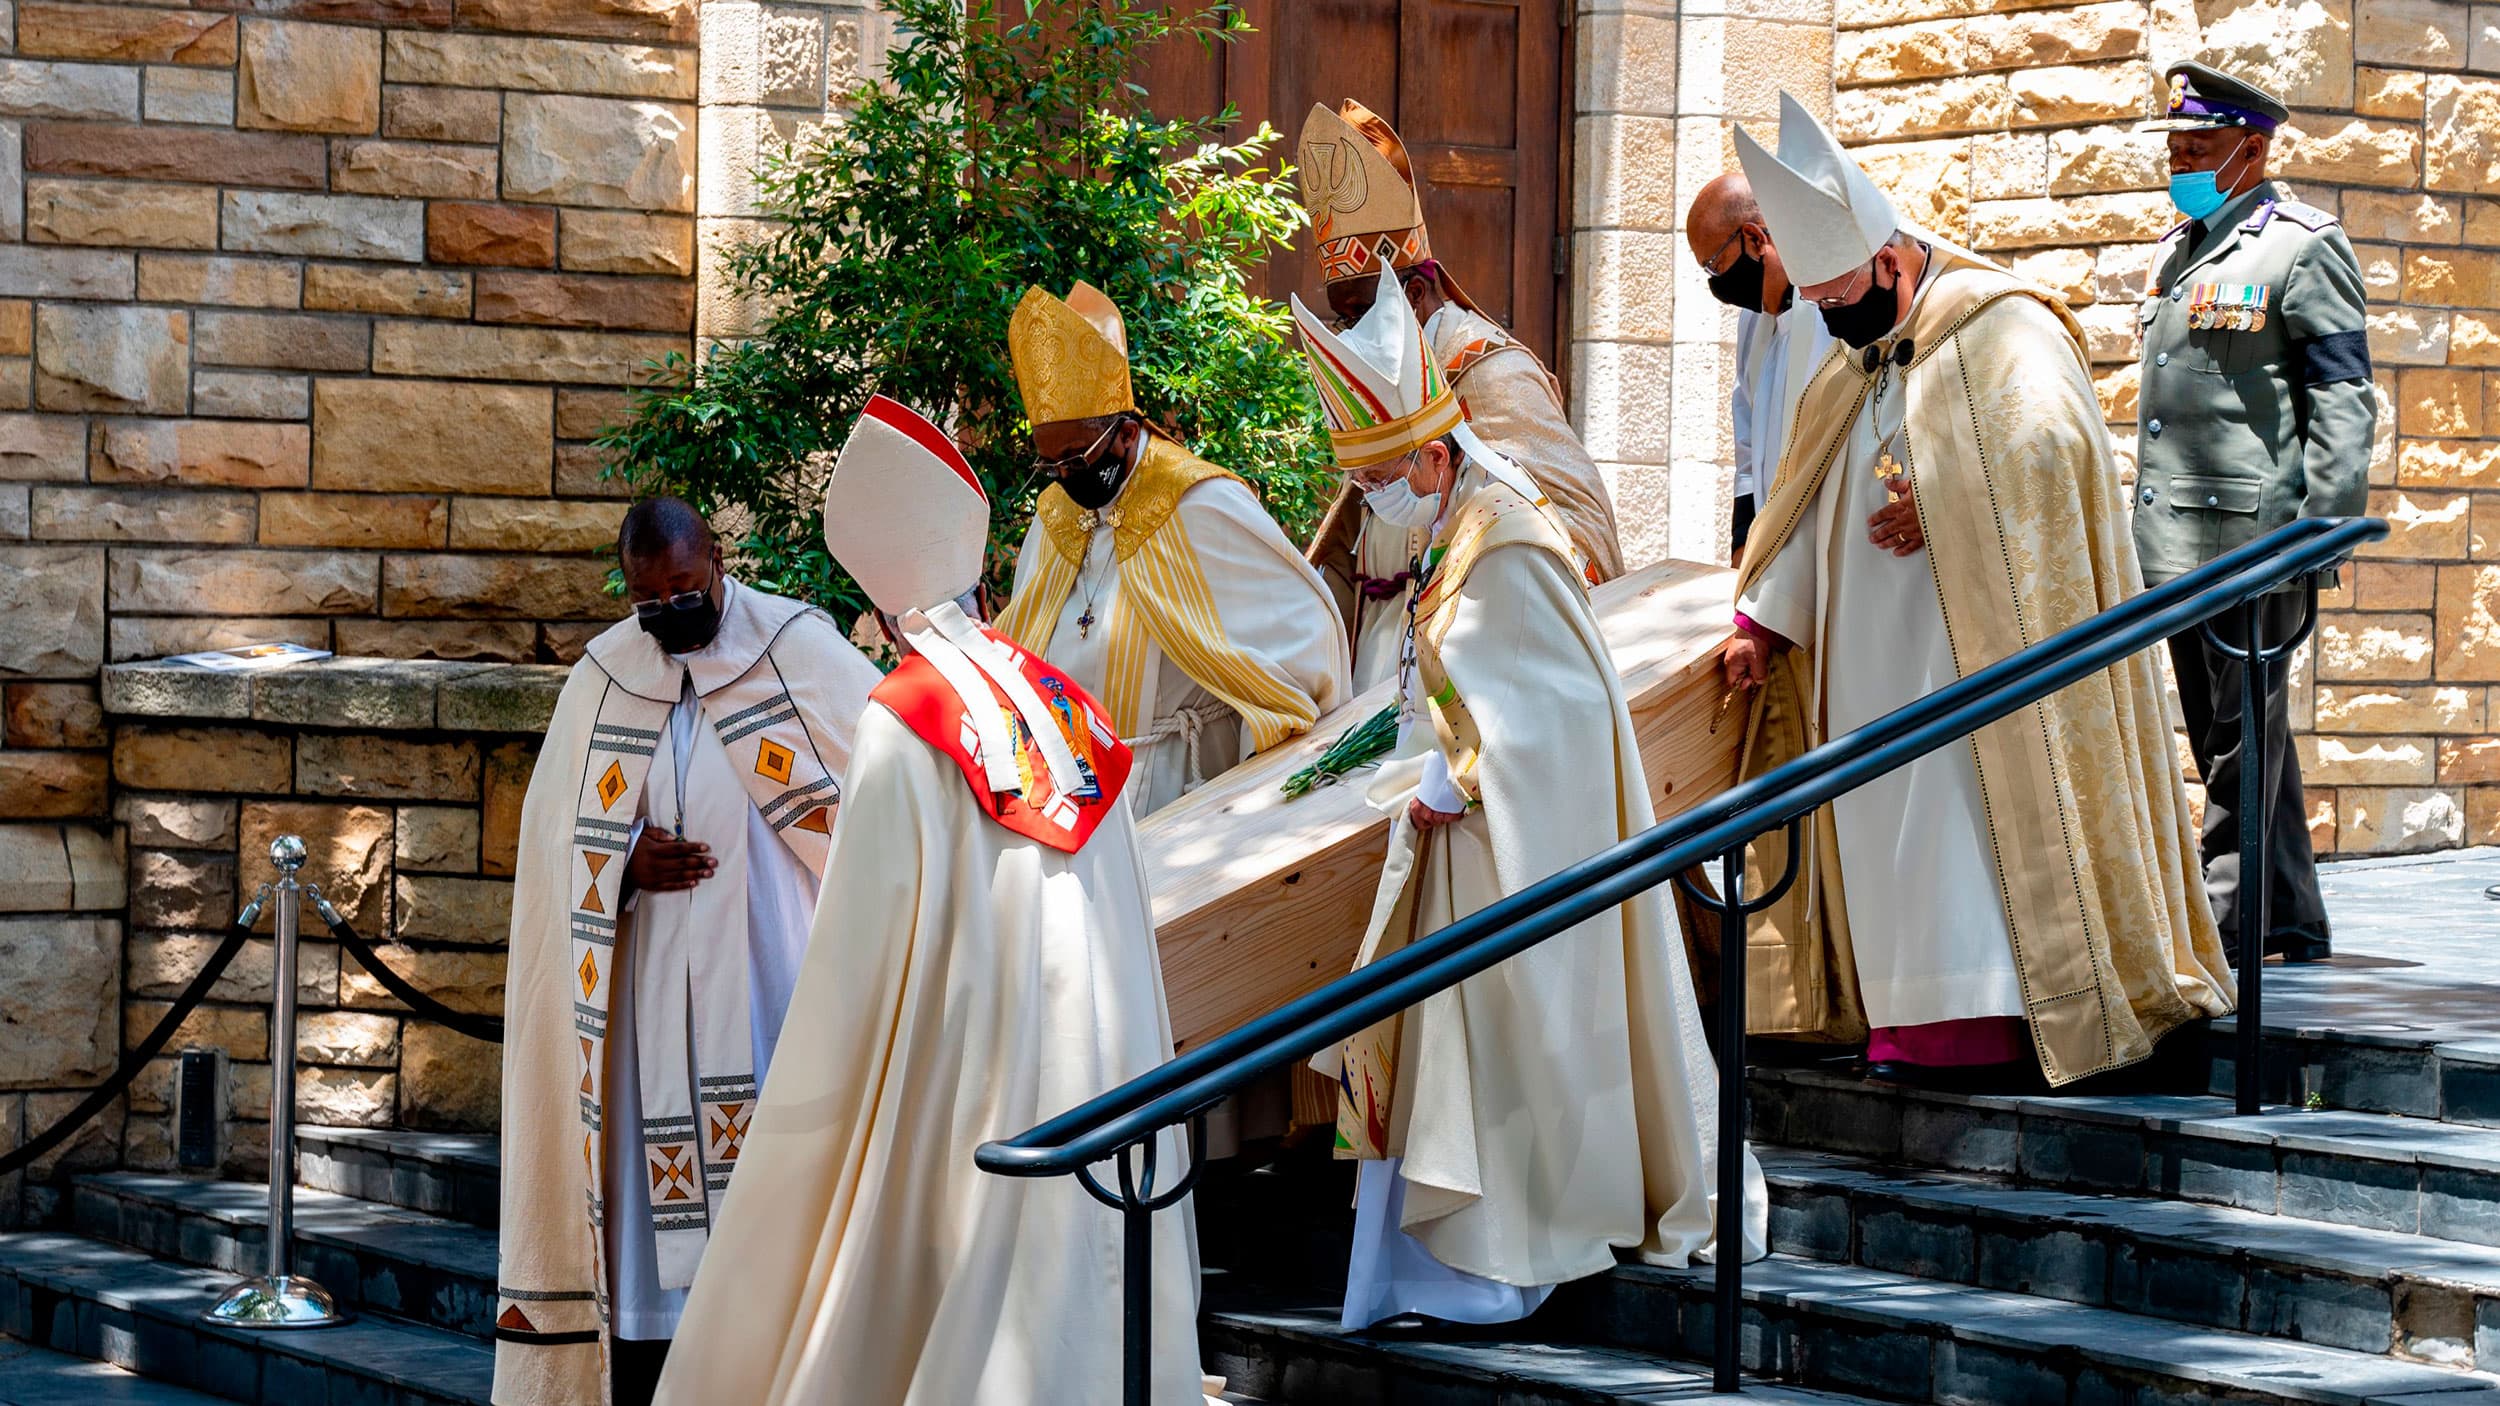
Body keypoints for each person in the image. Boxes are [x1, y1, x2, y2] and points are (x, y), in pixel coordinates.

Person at [651, 395, 1211, 1406]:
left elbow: (860, 950)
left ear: (878, 598)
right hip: (1101, 1047)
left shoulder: (904, 718)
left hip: (974, 1064)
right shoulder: (1067, 703)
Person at [1719, 92, 2234, 1086]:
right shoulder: (1848, 362)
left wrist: (1949, 498)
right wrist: (1761, 618)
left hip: (1970, 657)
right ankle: (1900, 1023)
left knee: (1968, 835)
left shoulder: (2004, 330)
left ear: (1887, 257)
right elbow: (1803, 497)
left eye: (1840, 298)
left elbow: (2049, 448)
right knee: (1886, 843)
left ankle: (1997, 1019)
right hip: (1865, 671)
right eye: (1817, 307)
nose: (1831, 321)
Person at [1290, 265, 1764, 1330]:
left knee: (1498, 1056)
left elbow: (1557, 719)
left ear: (1431, 451)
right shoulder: (1451, 528)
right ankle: (1432, 1272)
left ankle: (1499, 1262)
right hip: (1461, 847)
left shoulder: (1504, 536)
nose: (1372, 505)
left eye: (1380, 482)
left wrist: (1455, 779)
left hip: (1512, 853)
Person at [493, 498, 883, 1406]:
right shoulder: (605, 675)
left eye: (684, 589)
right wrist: (623, 859)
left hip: (767, 974)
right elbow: (553, 834)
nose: (669, 613)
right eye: (647, 601)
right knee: (641, 1199)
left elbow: (890, 792)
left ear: (716, 555)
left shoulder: (795, 647)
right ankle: (651, 1368)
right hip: (642, 997)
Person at [2137, 60, 2374, 965]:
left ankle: (2227, 918)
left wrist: (2318, 533)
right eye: (2176, 148)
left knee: (2240, 737)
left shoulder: (2302, 245)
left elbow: (2344, 398)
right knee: (2231, 728)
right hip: (2176, 541)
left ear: (2254, 146)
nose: (2183, 160)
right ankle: (2295, 917)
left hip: (2254, 540)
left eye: (2200, 147)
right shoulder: (2182, 245)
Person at [1295, 99, 1625, 687]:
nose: (1355, 335)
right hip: (1388, 645)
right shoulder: (1389, 375)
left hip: (1476, 647)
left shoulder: (1487, 371)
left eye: (1366, 310)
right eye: (1343, 320)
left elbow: (1578, 525)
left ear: (1417, 294)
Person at [995, 280, 1349, 816]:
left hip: (1173, 790)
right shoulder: (1056, 515)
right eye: (1051, 465)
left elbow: (1307, 635)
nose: (1065, 477)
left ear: (1126, 434)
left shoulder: (1199, 505)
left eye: (1075, 457)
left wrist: (1268, 773)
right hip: (1066, 794)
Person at [1687, 171, 1840, 562]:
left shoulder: (1838, 318)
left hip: (1828, 543)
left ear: (1756, 239)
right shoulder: (1753, 322)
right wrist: (1742, 543)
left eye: (1714, 266)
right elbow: (1748, 441)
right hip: (1770, 547)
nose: (1716, 283)